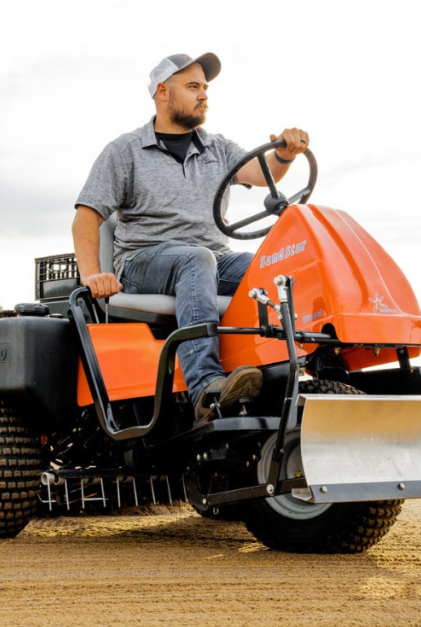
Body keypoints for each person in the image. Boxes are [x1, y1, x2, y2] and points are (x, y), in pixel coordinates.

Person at [72, 52, 309, 424]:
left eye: (205, 88)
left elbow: (263, 173)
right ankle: (205, 389)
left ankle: (291, 375)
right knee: (196, 259)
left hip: (213, 258)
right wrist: (91, 275)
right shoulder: (125, 151)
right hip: (143, 261)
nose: (203, 95)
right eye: (193, 87)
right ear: (163, 92)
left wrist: (285, 153)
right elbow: (86, 218)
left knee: (270, 268)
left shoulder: (218, 148)